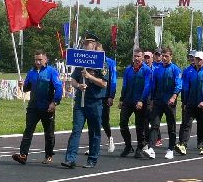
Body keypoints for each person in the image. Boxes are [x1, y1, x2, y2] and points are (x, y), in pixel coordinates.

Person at [63, 36, 108, 168]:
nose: (85, 45)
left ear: (94, 45)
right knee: (76, 130)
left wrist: (89, 77)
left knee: (94, 132)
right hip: (80, 101)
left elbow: (104, 83)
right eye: (84, 43)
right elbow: (73, 79)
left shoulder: (101, 62)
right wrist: (78, 85)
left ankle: (92, 159)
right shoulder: (80, 61)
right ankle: (70, 159)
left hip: (95, 101)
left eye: (88, 43)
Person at [12, 49, 63, 164]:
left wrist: (54, 102)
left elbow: (59, 88)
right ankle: (23, 155)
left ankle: (49, 155)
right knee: (28, 131)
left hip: (47, 107)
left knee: (49, 133)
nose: (38, 62)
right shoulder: (31, 72)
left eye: (40, 60)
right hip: (33, 107)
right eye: (36, 60)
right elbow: (26, 88)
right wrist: (22, 85)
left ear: (45, 59)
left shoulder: (52, 72)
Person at [118, 49, 156, 159]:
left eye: (139, 56)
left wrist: (141, 100)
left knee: (140, 126)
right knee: (123, 123)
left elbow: (147, 86)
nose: (136, 58)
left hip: (140, 101)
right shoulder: (128, 69)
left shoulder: (147, 70)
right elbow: (124, 85)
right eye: (135, 56)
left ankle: (140, 147)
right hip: (128, 100)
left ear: (142, 58)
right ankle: (128, 146)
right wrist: (121, 99)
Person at [178, 50, 203, 155]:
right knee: (186, 124)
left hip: (202, 104)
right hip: (190, 103)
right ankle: (183, 145)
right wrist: (184, 101)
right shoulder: (189, 72)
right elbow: (185, 87)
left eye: (199, 59)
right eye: (196, 59)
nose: (197, 61)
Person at [151, 47, 182, 154]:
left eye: (166, 56)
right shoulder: (157, 69)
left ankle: (170, 149)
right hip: (158, 101)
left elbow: (179, 85)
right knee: (154, 125)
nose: (164, 58)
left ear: (171, 57)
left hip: (169, 102)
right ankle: (150, 148)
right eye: (162, 56)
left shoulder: (175, 69)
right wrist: (152, 98)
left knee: (171, 126)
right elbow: (153, 85)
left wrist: (174, 97)